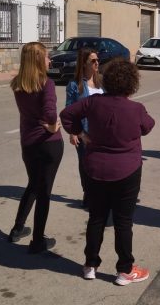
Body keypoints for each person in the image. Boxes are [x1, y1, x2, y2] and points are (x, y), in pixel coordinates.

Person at [60, 59, 155, 286]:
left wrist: (80, 133)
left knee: (96, 218)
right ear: (132, 84)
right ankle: (124, 270)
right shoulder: (136, 108)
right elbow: (148, 126)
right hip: (127, 170)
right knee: (123, 221)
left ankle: (90, 265)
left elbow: (66, 115)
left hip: (95, 168)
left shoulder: (93, 102)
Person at [8, 42, 64, 254]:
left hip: (29, 143)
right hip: (48, 144)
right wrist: (52, 124)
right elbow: (50, 113)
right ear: (38, 60)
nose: (50, 60)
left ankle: (17, 228)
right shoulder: (46, 83)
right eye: (47, 56)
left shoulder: (18, 84)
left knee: (33, 184)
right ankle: (38, 240)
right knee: (44, 192)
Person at [65, 47, 104, 208]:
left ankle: (100, 195)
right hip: (84, 132)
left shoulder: (102, 82)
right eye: (93, 61)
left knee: (102, 164)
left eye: (97, 60)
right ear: (84, 64)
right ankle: (88, 193)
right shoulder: (75, 85)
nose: (97, 63)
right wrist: (73, 132)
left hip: (103, 132)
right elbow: (69, 110)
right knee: (86, 165)